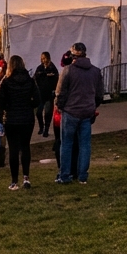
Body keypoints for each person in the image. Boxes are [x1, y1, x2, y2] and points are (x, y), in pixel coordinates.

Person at [54, 42, 103, 185]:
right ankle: (82, 176)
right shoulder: (95, 71)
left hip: (70, 111)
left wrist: (59, 106)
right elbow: (99, 94)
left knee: (67, 144)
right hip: (87, 112)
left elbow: (60, 92)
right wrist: (93, 106)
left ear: (73, 55)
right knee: (85, 145)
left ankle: (64, 175)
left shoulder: (68, 70)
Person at [0, 54, 40, 190]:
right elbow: (37, 100)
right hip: (27, 118)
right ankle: (26, 178)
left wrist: (5, 110)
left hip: (11, 118)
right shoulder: (30, 80)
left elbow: (0, 101)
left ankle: (14, 181)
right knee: (25, 147)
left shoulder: (6, 81)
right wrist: (29, 104)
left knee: (13, 149)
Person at [33, 52, 58, 137]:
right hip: (40, 93)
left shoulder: (52, 68)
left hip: (49, 94)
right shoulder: (39, 68)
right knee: (38, 112)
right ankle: (41, 126)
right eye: (42, 58)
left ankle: (46, 129)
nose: (43, 60)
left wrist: (54, 90)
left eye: (45, 58)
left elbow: (56, 79)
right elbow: (35, 78)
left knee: (47, 112)